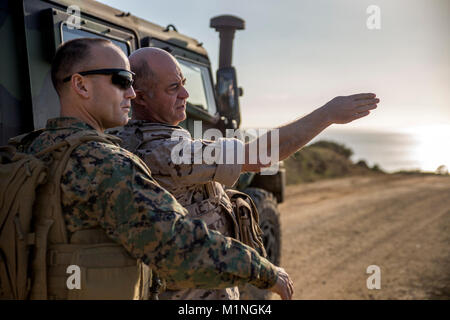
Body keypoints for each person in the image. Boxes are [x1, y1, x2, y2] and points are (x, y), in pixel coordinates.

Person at [15, 38, 293, 300]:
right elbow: (177, 246)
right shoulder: (106, 164)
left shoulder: (27, 149)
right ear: (81, 86)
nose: (132, 93)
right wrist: (265, 271)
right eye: (122, 81)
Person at [115, 47, 380, 300]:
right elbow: (260, 155)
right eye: (173, 88)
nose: (185, 93)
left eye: (183, 82)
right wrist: (327, 114)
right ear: (139, 96)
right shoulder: (169, 152)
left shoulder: (115, 139)